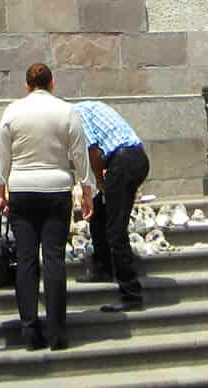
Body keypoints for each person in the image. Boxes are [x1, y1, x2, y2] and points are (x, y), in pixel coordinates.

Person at [0, 64, 92, 351]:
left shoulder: (12, 111)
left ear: (27, 85)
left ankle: (29, 331)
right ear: (52, 83)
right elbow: (80, 154)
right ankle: (57, 332)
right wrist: (87, 191)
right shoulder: (66, 111)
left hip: (22, 190)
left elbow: (2, 156)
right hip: (56, 188)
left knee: (25, 261)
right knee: (53, 260)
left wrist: (0, 191)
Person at [76, 99, 149, 311]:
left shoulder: (75, 115)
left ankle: (131, 294)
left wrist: (98, 180)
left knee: (116, 229)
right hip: (133, 158)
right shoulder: (87, 107)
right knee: (99, 210)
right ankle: (102, 265)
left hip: (123, 161)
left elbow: (93, 151)